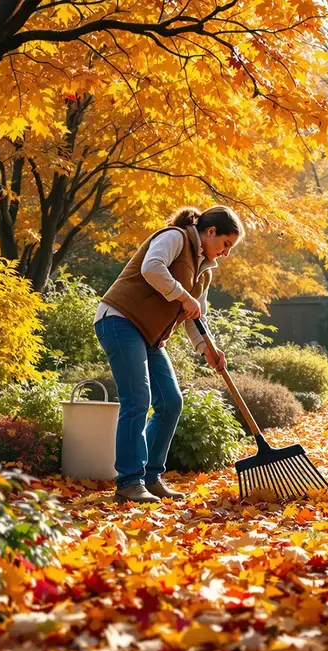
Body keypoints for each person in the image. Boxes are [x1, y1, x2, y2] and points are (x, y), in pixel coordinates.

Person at [95, 206, 240, 503]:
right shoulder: (175, 237)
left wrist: (207, 349)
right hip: (120, 319)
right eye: (226, 244)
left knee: (171, 401)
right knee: (137, 400)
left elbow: (195, 317)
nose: (226, 253)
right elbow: (152, 268)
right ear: (210, 232)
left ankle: (150, 476)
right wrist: (184, 296)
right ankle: (129, 481)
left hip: (150, 335)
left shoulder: (204, 269)